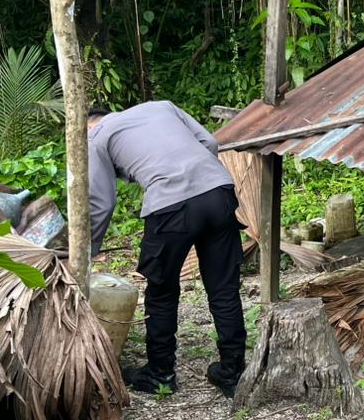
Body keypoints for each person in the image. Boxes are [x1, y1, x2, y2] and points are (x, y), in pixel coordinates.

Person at [88, 100, 247, 398]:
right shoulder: (162, 106)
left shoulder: (95, 136)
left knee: (161, 292)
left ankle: (160, 374)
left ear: (89, 124)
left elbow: (101, 202)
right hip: (219, 192)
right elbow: (209, 142)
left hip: (171, 206)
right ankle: (233, 373)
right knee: (224, 288)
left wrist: (87, 252)